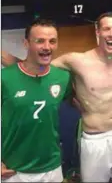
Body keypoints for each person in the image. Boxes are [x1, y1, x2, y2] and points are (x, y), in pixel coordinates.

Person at [3, 12, 112, 182]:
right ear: (98, 32)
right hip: (96, 138)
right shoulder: (75, 61)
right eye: (106, 29)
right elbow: (30, 66)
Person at [1, 18, 72, 182]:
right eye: (40, 41)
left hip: (52, 168)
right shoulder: (4, 78)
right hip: (13, 171)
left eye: (52, 41)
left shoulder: (63, 77)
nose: (47, 47)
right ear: (26, 43)